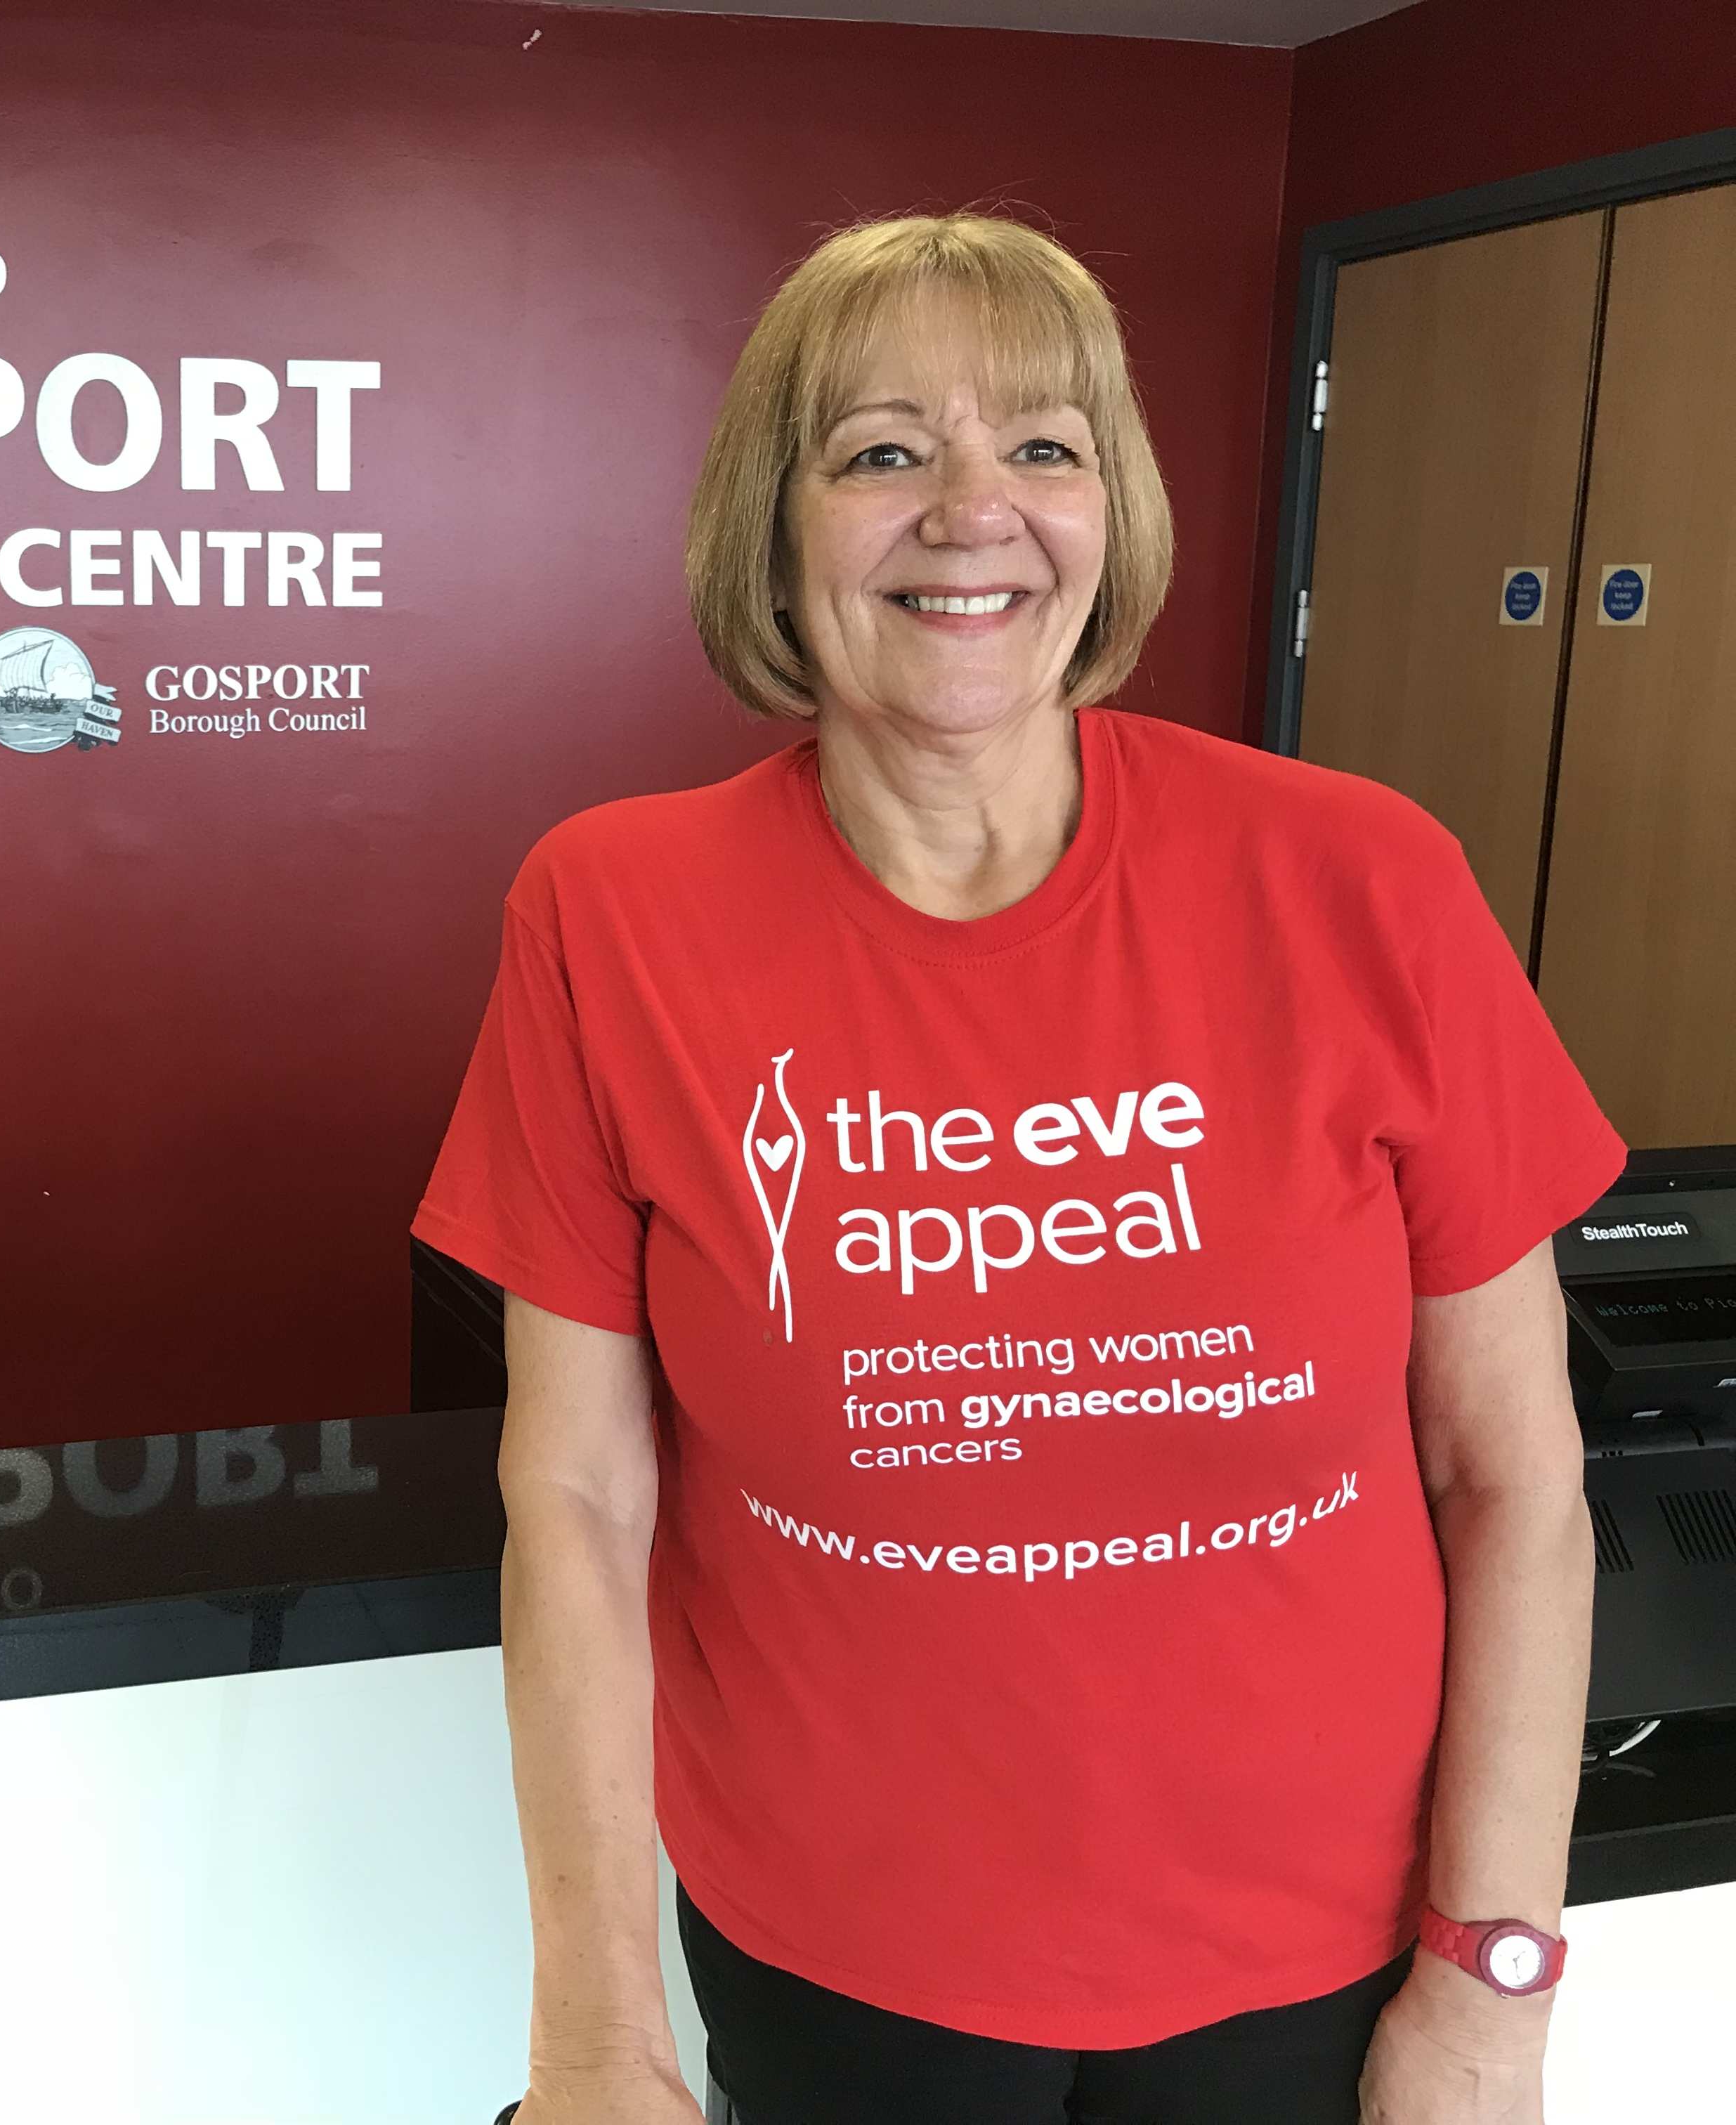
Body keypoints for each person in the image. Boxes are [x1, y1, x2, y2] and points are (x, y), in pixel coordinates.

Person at [415, 214, 1621, 2125]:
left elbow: (1518, 1477)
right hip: (835, 1958)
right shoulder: (610, 912)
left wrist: (1494, 1990)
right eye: (884, 450)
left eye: (1044, 448)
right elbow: (570, 1493)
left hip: (1318, 1957)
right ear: (780, 525)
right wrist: (594, 2040)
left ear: (1110, 513)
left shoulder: (1360, 880)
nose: (972, 509)